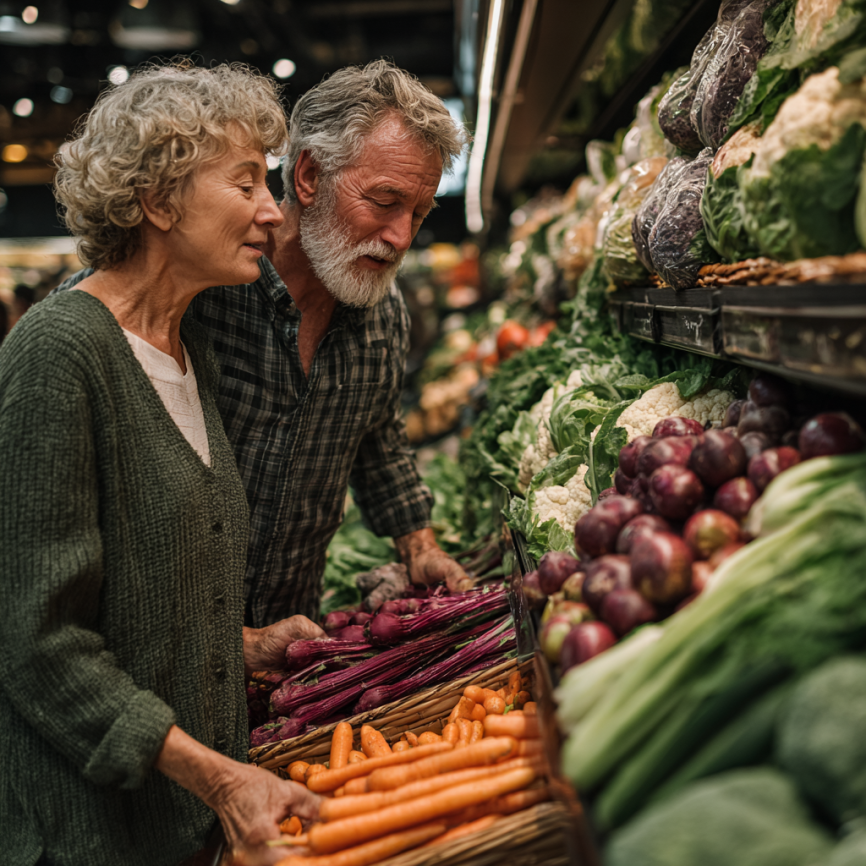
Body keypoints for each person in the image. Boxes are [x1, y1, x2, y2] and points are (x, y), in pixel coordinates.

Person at [0, 64, 322, 866]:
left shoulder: (187, 348)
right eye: (245, 182)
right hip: (87, 835)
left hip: (175, 828)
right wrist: (219, 780)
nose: (272, 212)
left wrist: (238, 644)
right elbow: (37, 642)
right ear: (157, 199)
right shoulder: (59, 353)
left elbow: (134, 594)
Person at [59, 60, 471, 627]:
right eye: (383, 201)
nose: (401, 237)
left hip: (285, 642)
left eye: (419, 214)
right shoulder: (192, 294)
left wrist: (418, 543)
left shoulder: (383, 316)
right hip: (157, 645)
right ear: (308, 176)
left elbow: (376, 438)